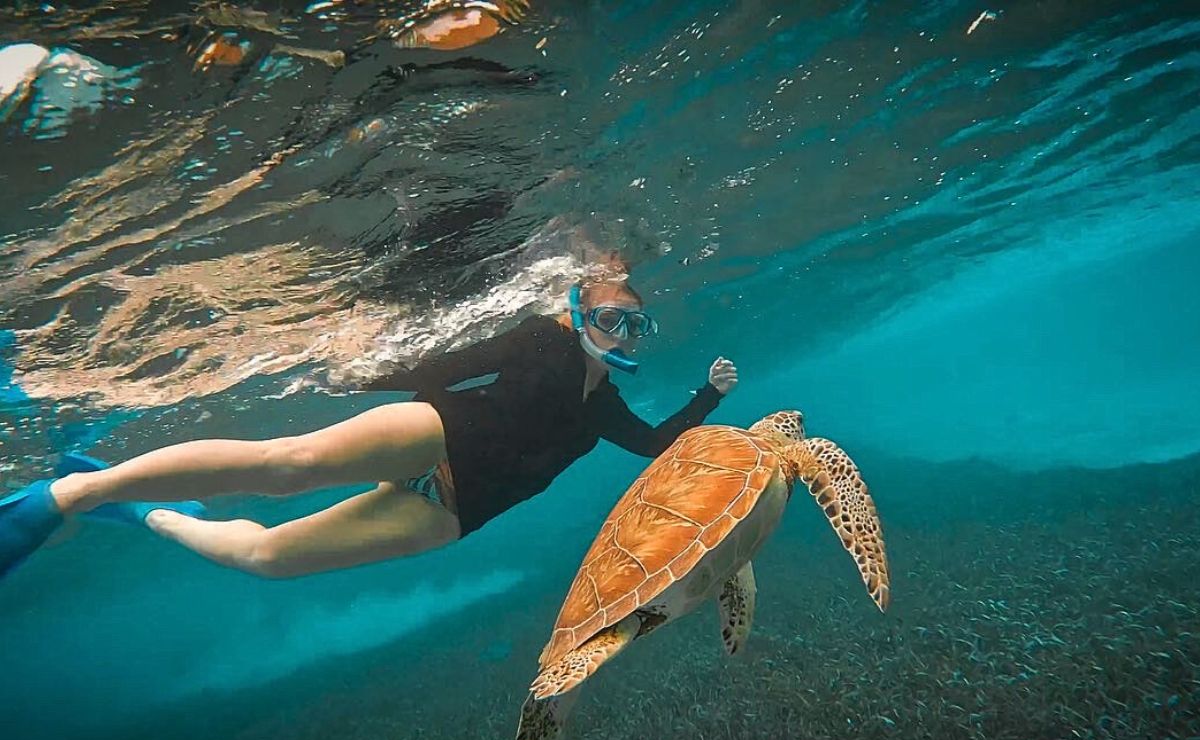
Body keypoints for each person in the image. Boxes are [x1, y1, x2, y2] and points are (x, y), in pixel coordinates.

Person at [0, 273, 738, 579]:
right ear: (580, 311)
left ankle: (146, 512)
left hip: (459, 509)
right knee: (287, 464)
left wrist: (705, 396)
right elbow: (451, 362)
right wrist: (359, 372)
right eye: (610, 317)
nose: (622, 334)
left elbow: (651, 445)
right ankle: (69, 496)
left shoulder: (605, 405)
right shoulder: (540, 339)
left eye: (634, 325)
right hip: (437, 433)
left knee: (267, 559)